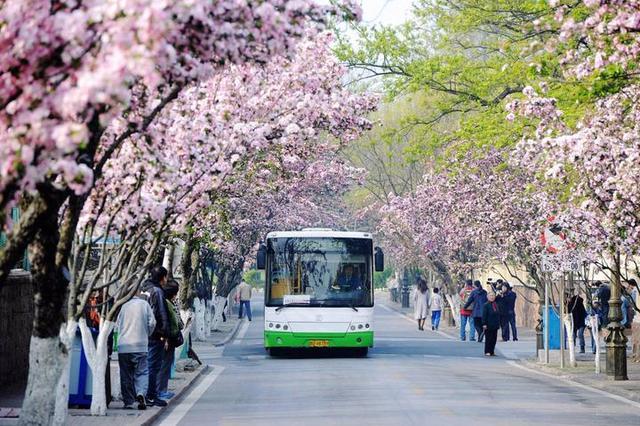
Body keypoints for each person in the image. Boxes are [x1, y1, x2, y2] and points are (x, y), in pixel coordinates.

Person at [115, 289, 156, 410]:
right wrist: (147, 334)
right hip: (140, 345)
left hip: (124, 347)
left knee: (126, 375)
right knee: (141, 372)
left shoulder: (123, 306)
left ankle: (128, 402)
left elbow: (117, 326)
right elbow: (152, 323)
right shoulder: (144, 305)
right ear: (138, 291)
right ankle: (140, 393)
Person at [141, 266, 170, 407]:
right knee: (153, 366)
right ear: (163, 277)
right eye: (166, 277)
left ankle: (144, 394)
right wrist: (164, 334)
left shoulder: (144, 289)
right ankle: (151, 396)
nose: (167, 280)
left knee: (145, 366)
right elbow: (161, 314)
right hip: (155, 334)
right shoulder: (157, 292)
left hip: (143, 333)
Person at [158, 279, 183, 400]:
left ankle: (163, 389)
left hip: (171, 339)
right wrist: (166, 338)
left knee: (167, 365)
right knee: (164, 365)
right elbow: (167, 322)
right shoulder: (166, 304)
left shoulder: (170, 303)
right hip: (167, 339)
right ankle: (161, 390)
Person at [482, 292, 501, 356]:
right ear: (487, 297)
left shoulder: (496, 304)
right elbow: (484, 315)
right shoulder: (486, 305)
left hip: (495, 324)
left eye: (493, 295)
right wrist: (484, 324)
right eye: (490, 296)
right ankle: (487, 351)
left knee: (494, 339)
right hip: (488, 324)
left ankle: (492, 351)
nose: (492, 297)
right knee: (488, 339)